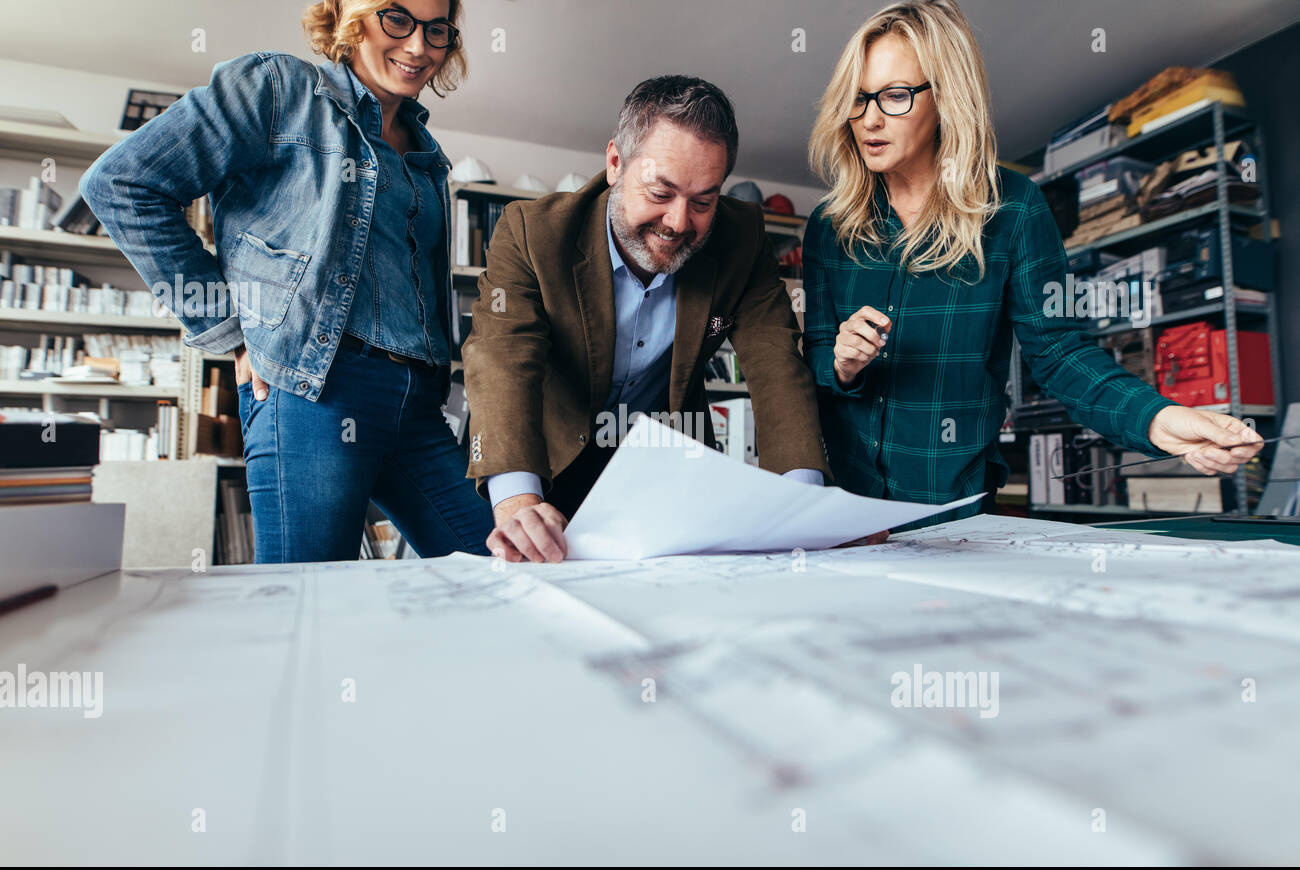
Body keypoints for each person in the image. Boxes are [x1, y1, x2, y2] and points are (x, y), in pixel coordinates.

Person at [802, 0, 1264, 527]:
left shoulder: (1013, 208)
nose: (871, 119)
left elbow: (1059, 351)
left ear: (947, 97)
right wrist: (842, 363)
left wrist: (1158, 420)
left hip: (954, 514)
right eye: (859, 99)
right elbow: (814, 353)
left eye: (896, 96)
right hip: (846, 509)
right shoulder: (829, 224)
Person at [80, 0, 494, 562]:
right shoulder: (278, 90)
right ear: (350, 15)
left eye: (437, 30)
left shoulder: (427, 156)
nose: (419, 46)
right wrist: (225, 329)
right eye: (397, 19)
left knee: (499, 564)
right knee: (309, 601)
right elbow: (120, 184)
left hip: (418, 404)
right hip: (316, 391)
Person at [463, 76, 833, 563]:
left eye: (703, 201)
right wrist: (518, 502)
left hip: (664, 473)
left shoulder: (741, 237)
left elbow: (777, 364)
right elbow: (502, 357)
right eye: (661, 192)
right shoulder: (531, 232)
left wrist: (803, 501)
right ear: (616, 162)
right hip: (539, 457)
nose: (679, 222)